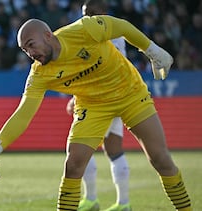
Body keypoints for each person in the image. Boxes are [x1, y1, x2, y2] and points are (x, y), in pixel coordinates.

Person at [0, 13, 192, 211]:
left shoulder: (84, 29)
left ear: (47, 35)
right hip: (93, 106)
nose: (30, 54)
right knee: (73, 165)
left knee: (160, 159)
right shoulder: (39, 74)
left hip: (130, 94)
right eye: (25, 51)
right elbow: (23, 113)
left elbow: (122, 27)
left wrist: (152, 50)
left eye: (31, 45)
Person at [65, 1, 130, 210]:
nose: (87, 17)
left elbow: (95, 68)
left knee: (82, 150)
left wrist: (78, 96)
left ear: (103, 12)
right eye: (84, 13)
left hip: (97, 100)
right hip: (118, 96)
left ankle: (92, 199)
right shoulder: (117, 31)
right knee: (114, 150)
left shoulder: (95, 34)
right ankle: (123, 203)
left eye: (91, 13)